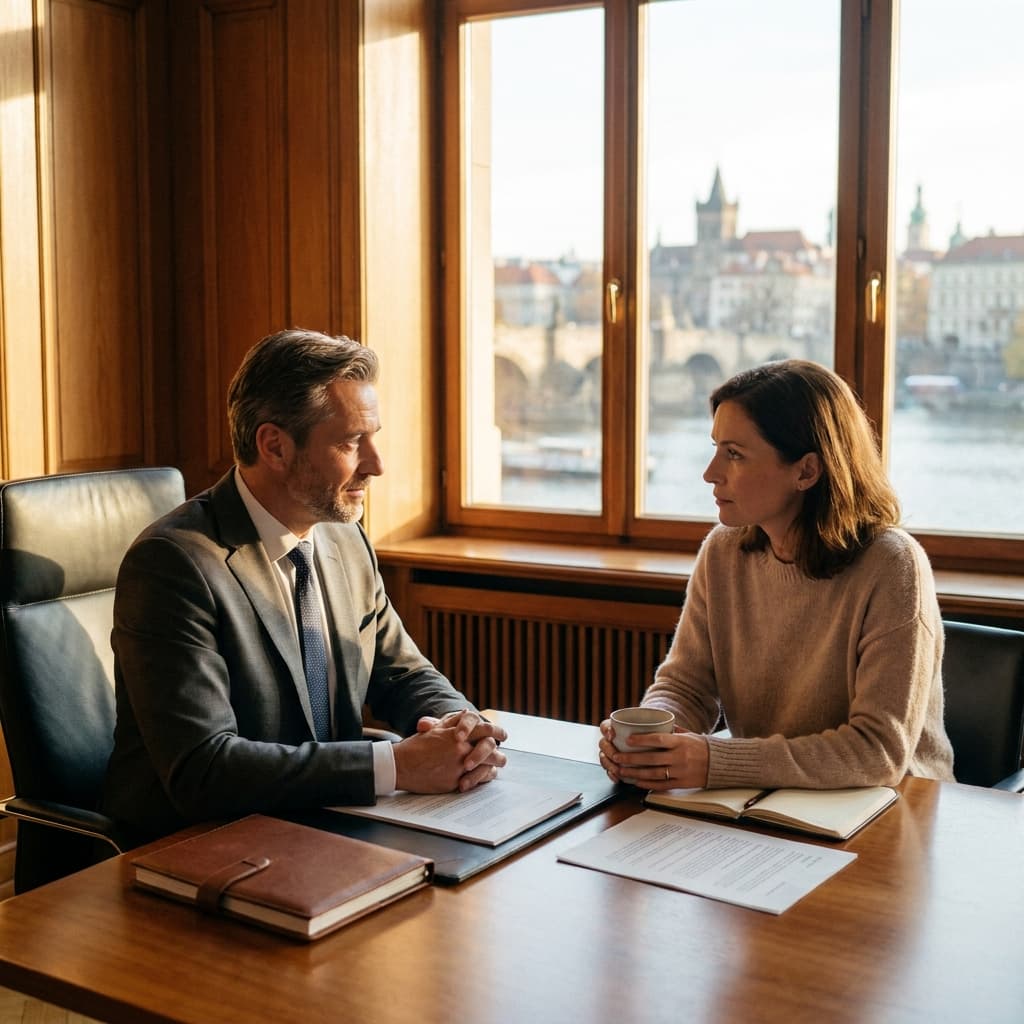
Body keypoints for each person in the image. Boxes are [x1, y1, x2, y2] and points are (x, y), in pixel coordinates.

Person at [102, 328, 506, 843]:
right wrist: (396, 767)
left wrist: (461, 729)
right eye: (351, 441)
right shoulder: (174, 565)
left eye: (374, 437)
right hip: (199, 845)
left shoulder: (344, 539)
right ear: (274, 446)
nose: (376, 464)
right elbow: (203, 768)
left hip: (319, 825)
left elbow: (401, 673)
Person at [599, 359, 954, 792]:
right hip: (769, 802)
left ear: (806, 470)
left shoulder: (894, 566)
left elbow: (877, 751)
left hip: (896, 809)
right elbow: (686, 685)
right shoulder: (722, 552)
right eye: (715, 448)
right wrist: (654, 739)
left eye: (734, 454)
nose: (710, 473)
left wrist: (715, 761)